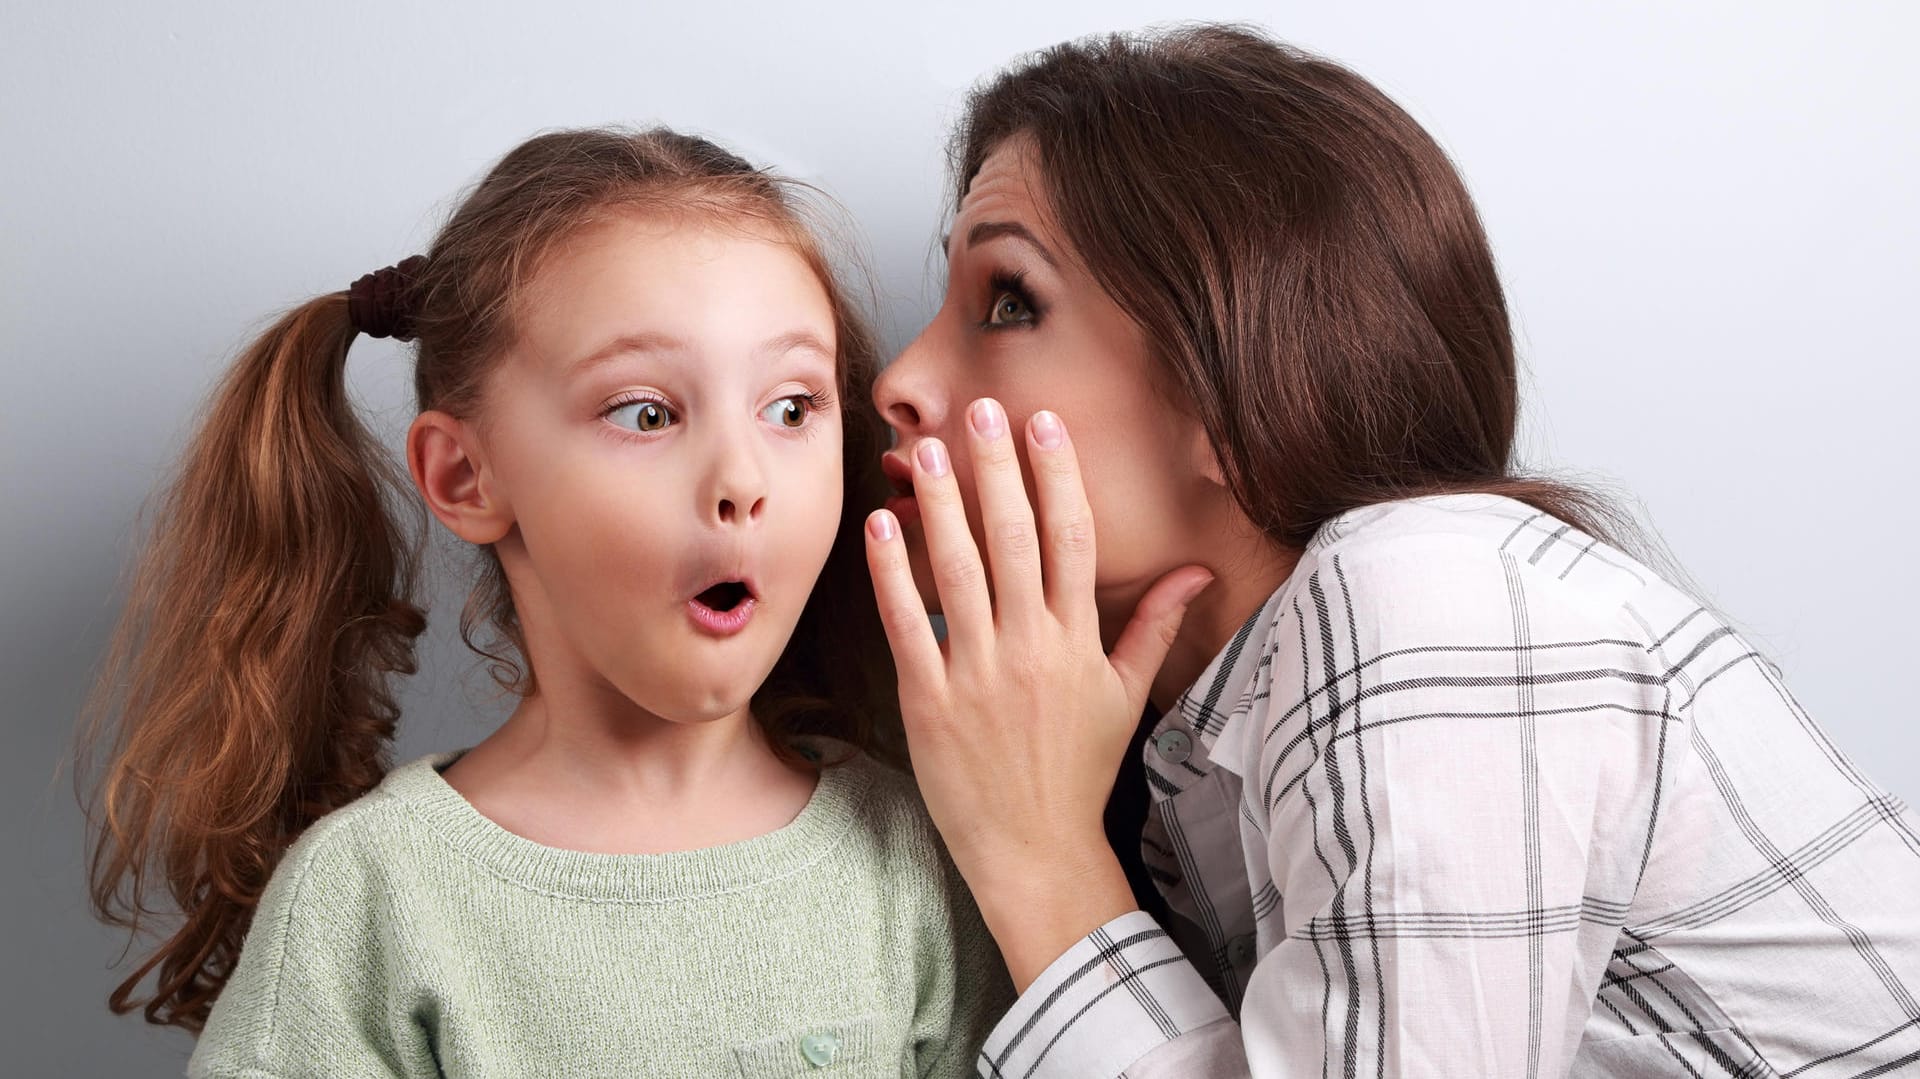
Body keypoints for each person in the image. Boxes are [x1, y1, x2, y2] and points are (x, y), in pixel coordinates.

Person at [864, 25, 1920, 1078]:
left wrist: (1041, 858)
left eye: (1010, 301)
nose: (898, 379)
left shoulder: (1424, 591)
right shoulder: (1188, 748)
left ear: (1242, 395)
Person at [80, 126, 1009, 1078]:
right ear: (467, 476)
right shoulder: (369, 900)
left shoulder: (915, 861)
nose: (743, 479)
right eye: (647, 412)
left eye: (792, 408)